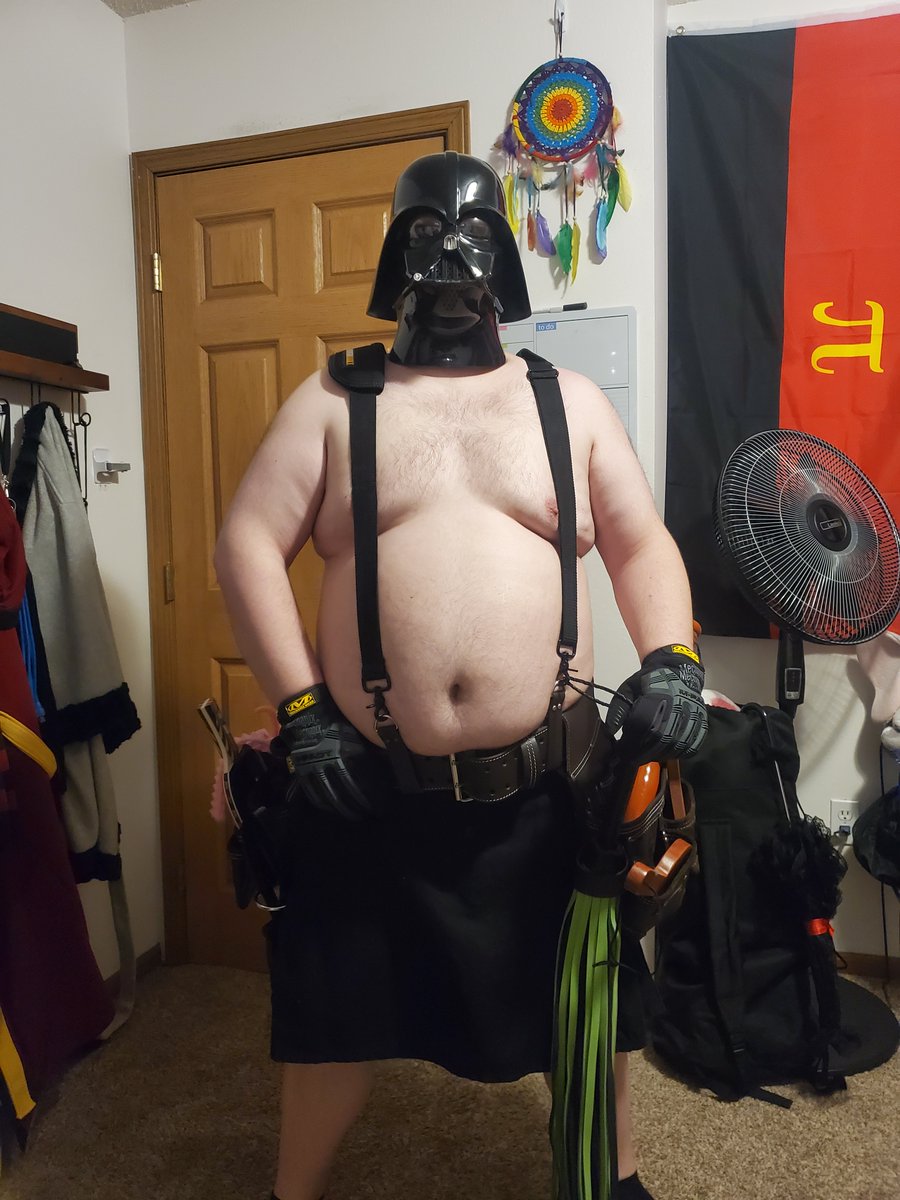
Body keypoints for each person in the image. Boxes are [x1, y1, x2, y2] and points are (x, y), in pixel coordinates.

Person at [213, 151, 707, 1200]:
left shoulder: (567, 401)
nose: (449, 257)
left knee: (589, 1006)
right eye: (426, 234)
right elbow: (247, 543)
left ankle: (612, 1181)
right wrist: (302, 712)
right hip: (367, 787)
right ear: (395, 253)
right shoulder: (333, 399)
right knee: (333, 1014)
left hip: (549, 787)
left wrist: (673, 658)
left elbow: (639, 542)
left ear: (504, 258)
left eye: (473, 235)